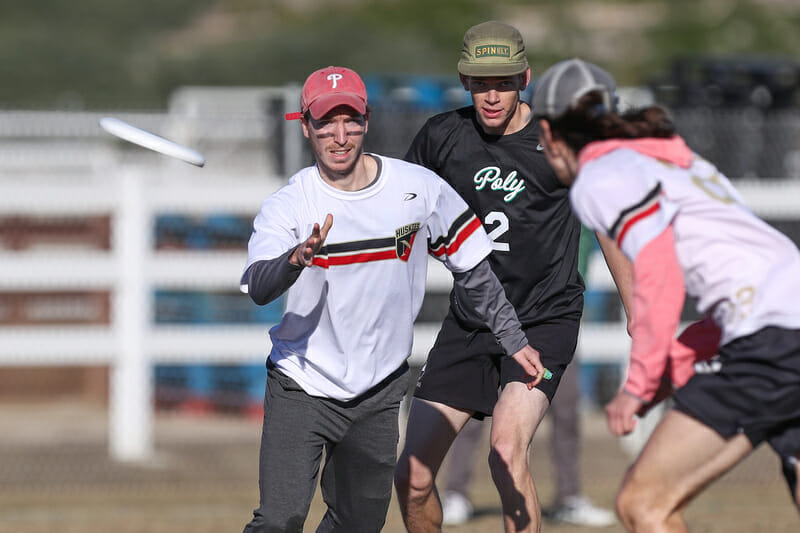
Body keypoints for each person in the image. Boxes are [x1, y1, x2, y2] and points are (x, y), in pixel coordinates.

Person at [239, 65, 546, 533]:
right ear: (306, 126)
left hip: (379, 389)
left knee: (357, 525)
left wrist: (513, 338)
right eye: (325, 122)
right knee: (280, 521)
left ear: (368, 120)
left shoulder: (416, 189)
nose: (340, 135)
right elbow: (260, 285)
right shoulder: (290, 203)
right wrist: (295, 259)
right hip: (302, 382)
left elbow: (473, 268)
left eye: (351, 120)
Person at [533, 57, 800, 532]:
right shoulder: (678, 162)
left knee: (643, 504)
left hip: (774, 345)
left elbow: (657, 274)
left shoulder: (599, 177)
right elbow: (750, 291)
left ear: (551, 132)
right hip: (782, 331)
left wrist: (639, 382)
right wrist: (675, 363)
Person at [394, 21, 629, 533]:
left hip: (544, 319)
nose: (492, 95)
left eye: (503, 81)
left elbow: (611, 228)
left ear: (525, 78)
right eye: (480, 83)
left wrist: (642, 317)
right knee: (411, 476)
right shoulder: (442, 136)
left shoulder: (558, 141)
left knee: (505, 450)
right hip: (472, 320)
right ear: (464, 81)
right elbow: (394, 212)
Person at [439, 227, 616, 528]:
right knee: (471, 407)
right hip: (494, 313)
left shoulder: (581, 200)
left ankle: (569, 496)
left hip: (551, 317)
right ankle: (456, 492)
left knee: (566, 405)